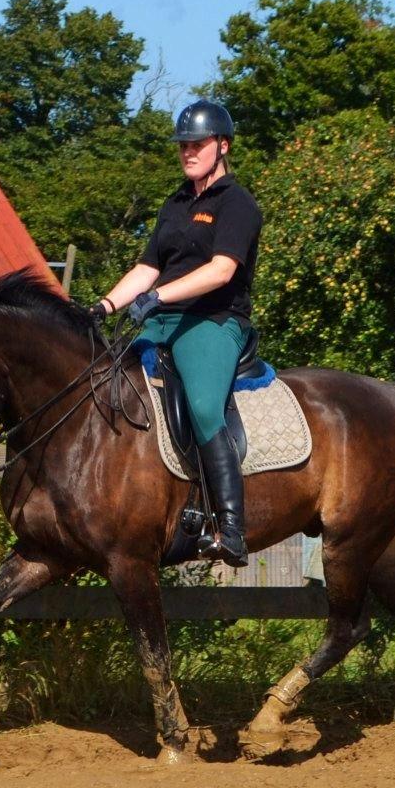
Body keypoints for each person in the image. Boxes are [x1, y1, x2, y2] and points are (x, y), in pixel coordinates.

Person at [90, 99, 263, 567]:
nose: (188, 151)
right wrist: (104, 306)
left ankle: (230, 528)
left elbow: (221, 271)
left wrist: (161, 297)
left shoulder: (237, 204)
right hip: (163, 319)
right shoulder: (175, 203)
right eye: (183, 145)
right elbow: (148, 267)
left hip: (213, 321)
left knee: (206, 406)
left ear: (222, 145)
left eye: (198, 144)